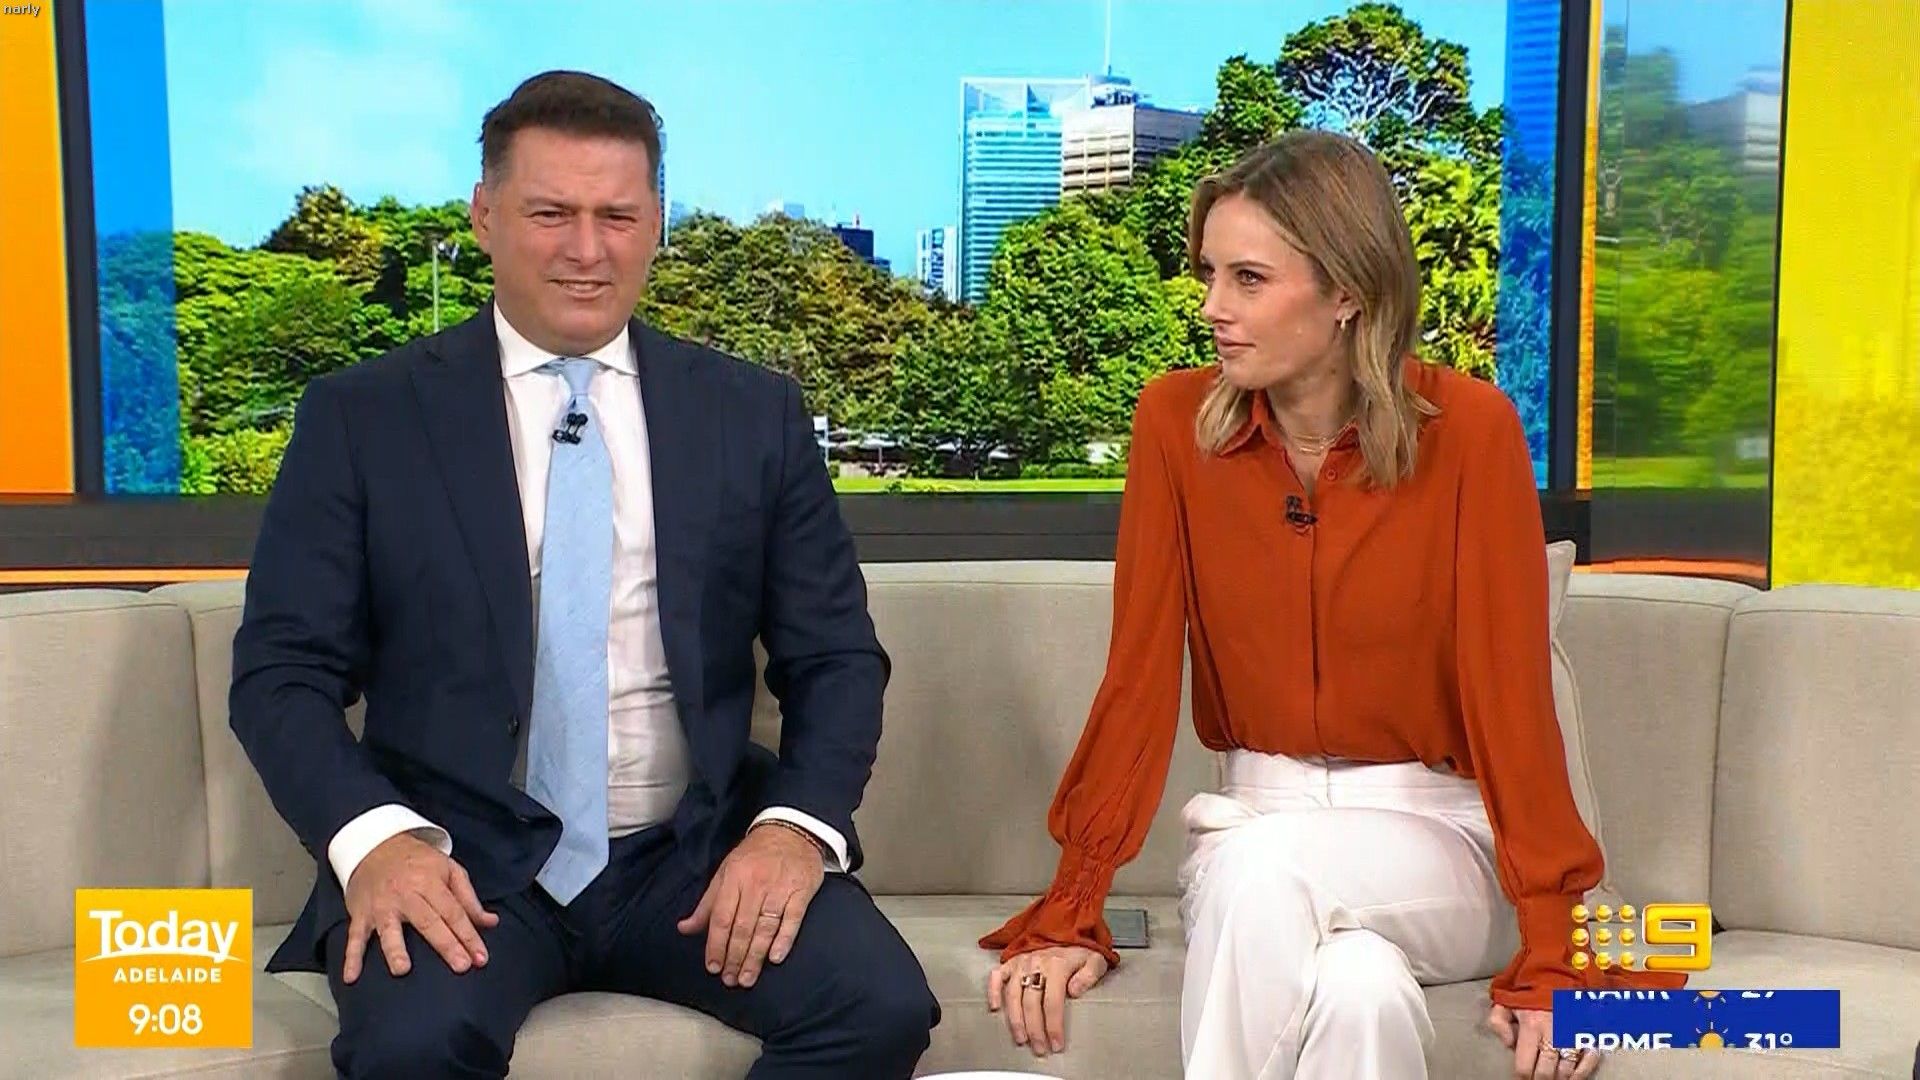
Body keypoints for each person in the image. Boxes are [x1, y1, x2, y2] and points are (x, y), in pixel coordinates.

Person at [230, 70, 938, 1079]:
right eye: (550, 213)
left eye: (617, 216)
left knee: (879, 1007)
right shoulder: (365, 416)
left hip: (692, 854)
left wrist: (792, 831)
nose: (587, 249)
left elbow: (835, 660)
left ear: (656, 225)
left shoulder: (752, 416)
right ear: (484, 215)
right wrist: (373, 840)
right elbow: (282, 675)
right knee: (412, 1043)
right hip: (458, 860)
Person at [978, 129, 1685, 1080]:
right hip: (1252, 822)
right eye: (1209, 274)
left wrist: (1556, 950)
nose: (1212, 307)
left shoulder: (1470, 430)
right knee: (1358, 992)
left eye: (1249, 279)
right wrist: (1074, 902)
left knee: (1264, 876)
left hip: (1440, 841)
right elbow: (1136, 677)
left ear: (1348, 291)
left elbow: (1510, 700)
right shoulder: (1172, 425)